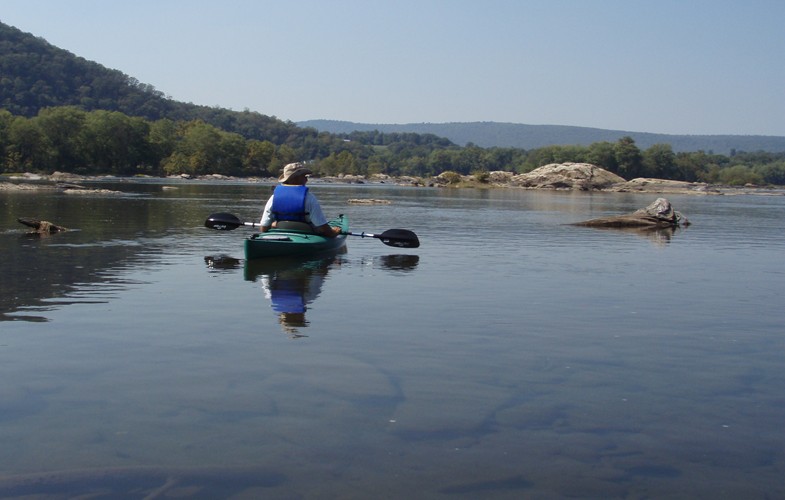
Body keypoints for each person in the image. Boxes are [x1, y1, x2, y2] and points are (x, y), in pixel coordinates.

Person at [259, 162, 342, 237]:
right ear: (295, 178)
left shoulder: (273, 198)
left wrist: (275, 225)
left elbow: (264, 228)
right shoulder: (309, 198)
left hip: (281, 231)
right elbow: (323, 227)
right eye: (304, 176)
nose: (306, 179)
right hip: (306, 234)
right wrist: (333, 232)